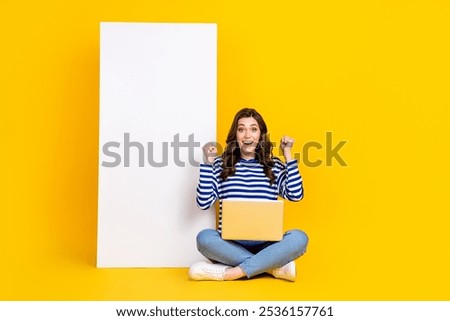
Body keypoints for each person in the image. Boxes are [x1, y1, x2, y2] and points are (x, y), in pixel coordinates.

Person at [189, 108, 308, 281]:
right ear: (235, 134)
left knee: (299, 238)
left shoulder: (273, 165)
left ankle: (231, 273)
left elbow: (295, 194)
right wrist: (208, 162)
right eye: (241, 129)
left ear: (261, 135)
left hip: (268, 245)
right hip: (230, 244)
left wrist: (288, 154)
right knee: (204, 238)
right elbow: (203, 202)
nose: (247, 135)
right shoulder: (221, 164)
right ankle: (271, 267)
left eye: (253, 129)